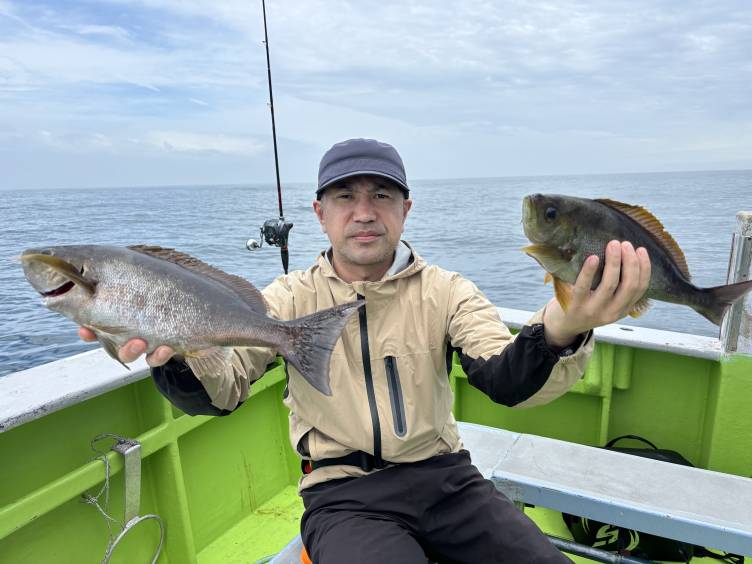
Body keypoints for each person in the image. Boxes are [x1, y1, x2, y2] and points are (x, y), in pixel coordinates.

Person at [79, 138, 651, 563]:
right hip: (343, 493)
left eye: (382, 195)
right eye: (344, 196)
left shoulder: (448, 290)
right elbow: (222, 391)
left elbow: (503, 378)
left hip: (448, 480)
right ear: (320, 214)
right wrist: (177, 353)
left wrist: (565, 325)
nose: (364, 211)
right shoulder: (284, 298)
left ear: (405, 209)